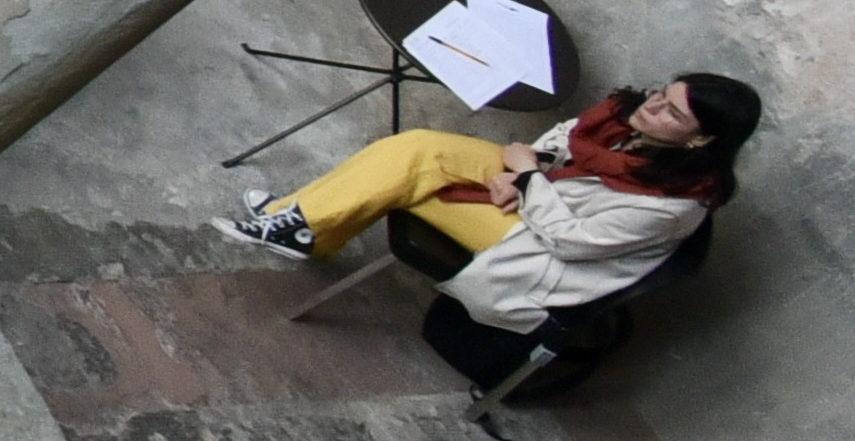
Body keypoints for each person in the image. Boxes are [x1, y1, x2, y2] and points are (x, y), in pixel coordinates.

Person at [222, 74, 760, 387]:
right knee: (418, 147)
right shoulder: (626, 121)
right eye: (661, 94)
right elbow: (563, 142)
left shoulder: (674, 206)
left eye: (671, 113)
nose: (652, 107)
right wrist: (527, 169)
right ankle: (296, 221)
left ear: (697, 142)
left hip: (538, 251)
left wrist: (526, 179)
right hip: (540, 193)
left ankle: (301, 223)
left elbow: (572, 240)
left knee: (415, 181)